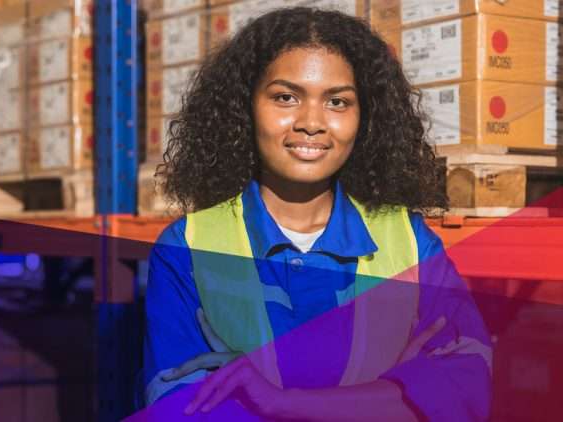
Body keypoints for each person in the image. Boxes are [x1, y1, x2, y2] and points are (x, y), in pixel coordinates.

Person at [142, 7, 492, 421]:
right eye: (286, 97)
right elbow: (181, 410)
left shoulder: (411, 243)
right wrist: (392, 392)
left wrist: (280, 401)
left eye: (337, 102)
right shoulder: (187, 248)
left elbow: (466, 391)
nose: (312, 122)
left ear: (365, 118)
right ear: (246, 107)